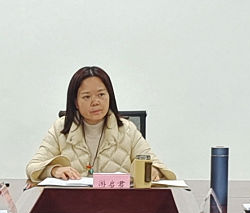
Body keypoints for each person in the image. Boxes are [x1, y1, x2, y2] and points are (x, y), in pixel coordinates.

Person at [26, 65, 174, 183]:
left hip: (119, 204)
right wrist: (54, 170)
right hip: (73, 204)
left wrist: (154, 171)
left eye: (101, 95)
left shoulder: (127, 129)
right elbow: (33, 167)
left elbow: (156, 165)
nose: (95, 102)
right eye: (86, 97)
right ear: (75, 102)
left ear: (110, 96)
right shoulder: (60, 128)